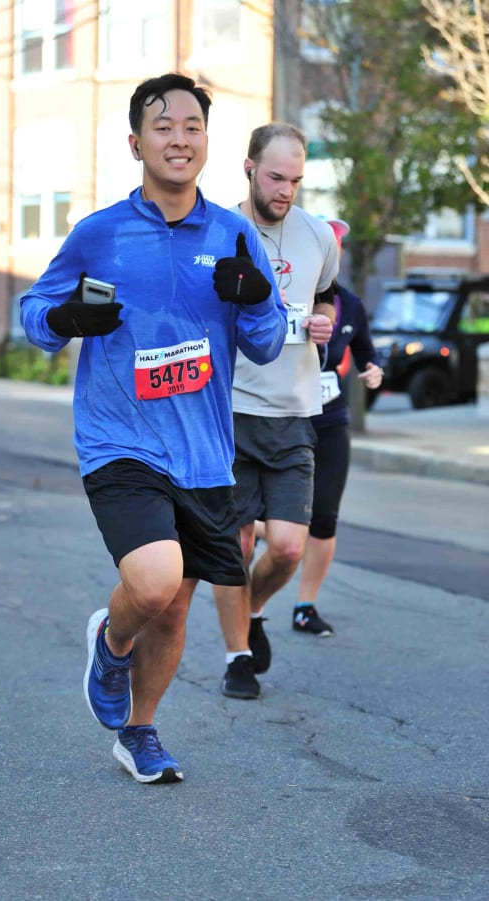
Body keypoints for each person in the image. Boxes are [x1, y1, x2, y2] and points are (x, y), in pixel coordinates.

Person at [19, 73, 287, 784]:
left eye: (192, 125)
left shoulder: (234, 234)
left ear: (206, 142)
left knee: (172, 609)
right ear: (137, 142)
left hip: (203, 452)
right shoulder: (99, 233)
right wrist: (65, 318)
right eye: (163, 126)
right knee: (155, 577)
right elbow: (34, 315)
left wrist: (258, 301)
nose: (179, 137)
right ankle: (110, 646)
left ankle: (139, 731)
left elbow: (266, 341)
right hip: (120, 440)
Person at [212, 122, 339, 700]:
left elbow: (326, 296)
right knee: (235, 545)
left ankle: (254, 609)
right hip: (231, 410)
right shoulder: (218, 230)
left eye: (295, 180)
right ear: (249, 168)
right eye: (275, 177)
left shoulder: (318, 235)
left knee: (287, 546)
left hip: (293, 412)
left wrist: (325, 321)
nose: (286, 190)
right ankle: (238, 655)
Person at [292, 218, 383, 633]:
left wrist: (373, 371)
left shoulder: (351, 304)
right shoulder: (286, 293)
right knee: (275, 524)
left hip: (330, 419)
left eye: (338, 246)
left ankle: (304, 606)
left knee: (324, 516)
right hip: (286, 418)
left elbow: (367, 352)